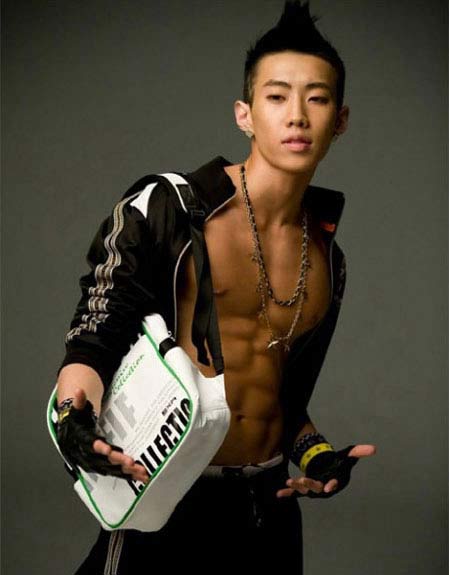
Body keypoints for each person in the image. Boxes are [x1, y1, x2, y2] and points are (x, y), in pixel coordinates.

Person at [54, 1, 376, 573]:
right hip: (171, 493)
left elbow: (280, 395)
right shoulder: (169, 208)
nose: (297, 116)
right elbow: (95, 335)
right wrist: (72, 419)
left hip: (268, 507)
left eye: (317, 98)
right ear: (244, 115)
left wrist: (318, 458)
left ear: (341, 120)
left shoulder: (328, 256)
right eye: (276, 97)